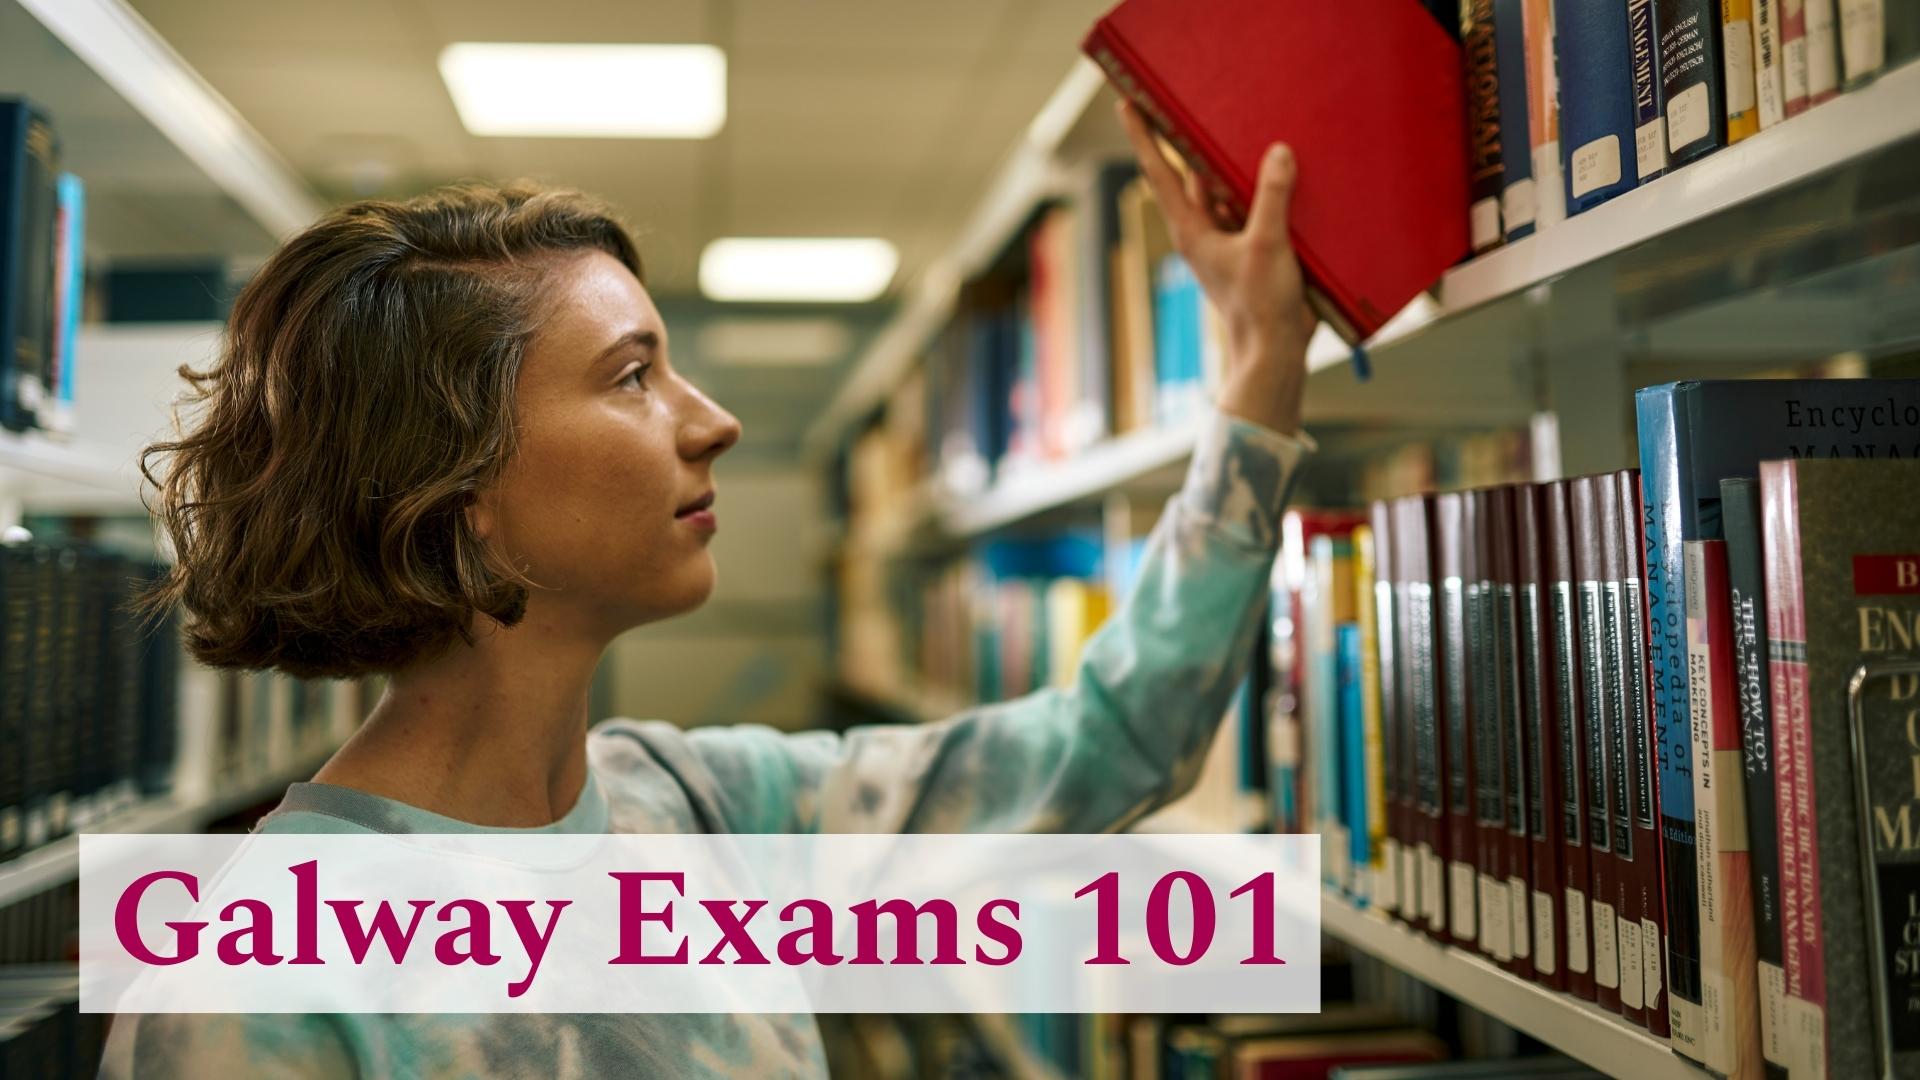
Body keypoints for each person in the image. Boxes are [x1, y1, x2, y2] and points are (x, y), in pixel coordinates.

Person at [100, 102, 1318, 1078]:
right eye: (634, 378)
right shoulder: (252, 990)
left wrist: (1259, 374)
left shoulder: (705, 809)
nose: (717, 423)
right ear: (454, 481)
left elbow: (1108, 746)